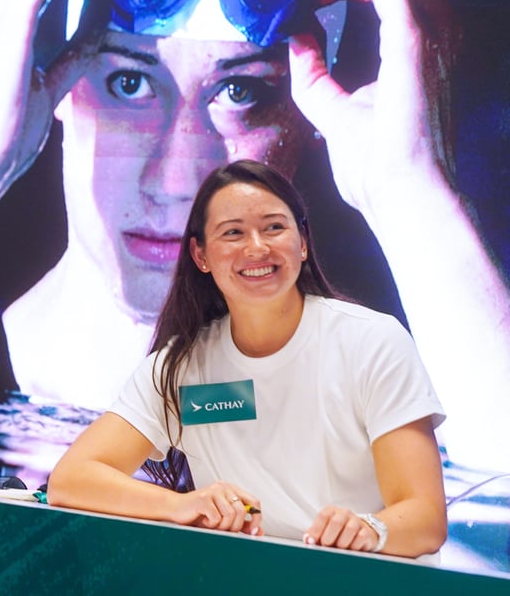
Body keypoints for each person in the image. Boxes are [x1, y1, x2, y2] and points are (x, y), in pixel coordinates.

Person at [0, 0, 510, 480]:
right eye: (130, 82)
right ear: (56, 87)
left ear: (310, 114)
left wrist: (412, 190)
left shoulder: (373, 417)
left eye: (240, 90)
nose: (178, 180)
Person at [46, 159, 447, 560]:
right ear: (200, 255)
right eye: (233, 233)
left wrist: (368, 529)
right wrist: (179, 505)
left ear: (303, 242)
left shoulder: (372, 342)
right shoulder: (180, 369)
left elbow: (425, 519)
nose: (257, 248)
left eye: (274, 227)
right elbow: (71, 480)